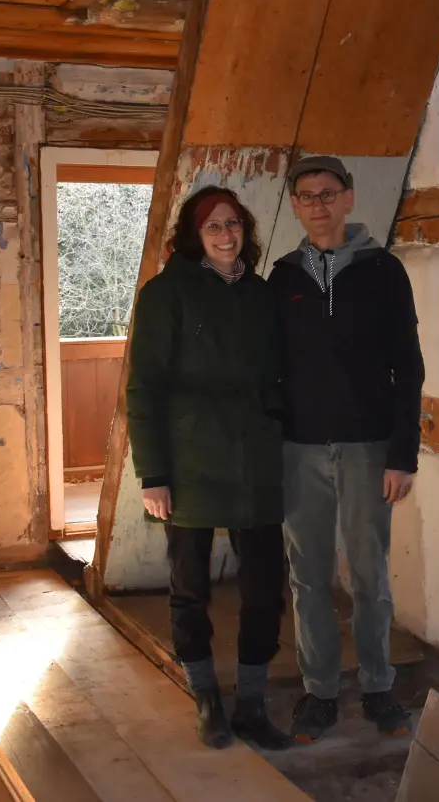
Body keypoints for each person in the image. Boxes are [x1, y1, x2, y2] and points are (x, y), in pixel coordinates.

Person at [125, 185, 291, 751]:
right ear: (195, 237)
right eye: (213, 226)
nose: (226, 235)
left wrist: (276, 421)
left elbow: (280, 375)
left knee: (265, 588)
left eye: (233, 224)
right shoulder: (164, 295)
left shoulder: (262, 295)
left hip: (255, 462)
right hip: (190, 461)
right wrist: (153, 474)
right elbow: (143, 388)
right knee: (189, 589)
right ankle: (205, 698)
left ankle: (250, 701)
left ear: (245, 229)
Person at [268, 156, 426, 743]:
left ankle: (379, 686)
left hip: (368, 447)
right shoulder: (281, 279)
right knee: (307, 577)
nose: (319, 205)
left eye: (328, 194)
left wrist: (402, 453)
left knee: (368, 576)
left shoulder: (384, 271)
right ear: (295, 205)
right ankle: (320, 692)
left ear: (349, 198)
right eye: (307, 196)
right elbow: (271, 371)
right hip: (298, 450)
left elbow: (407, 367)